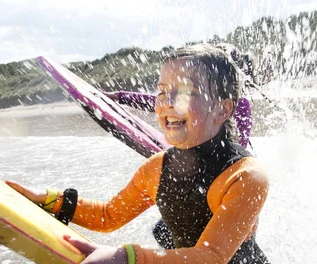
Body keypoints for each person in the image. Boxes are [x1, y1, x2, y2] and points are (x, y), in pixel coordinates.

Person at [6, 43, 278, 264]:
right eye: (162, 92)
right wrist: (53, 202)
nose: (167, 103)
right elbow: (108, 216)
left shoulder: (246, 176)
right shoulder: (156, 169)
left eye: (185, 93)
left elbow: (206, 262)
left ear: (222, 109)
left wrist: (124, 262)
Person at [104, 43, 255, 250]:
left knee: (227, 247)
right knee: (165, 232)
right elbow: (162, 102)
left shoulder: (239, 106)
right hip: (203, 175)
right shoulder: (195, 100)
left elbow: (238, 143)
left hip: (226, 182)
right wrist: (122, 97)